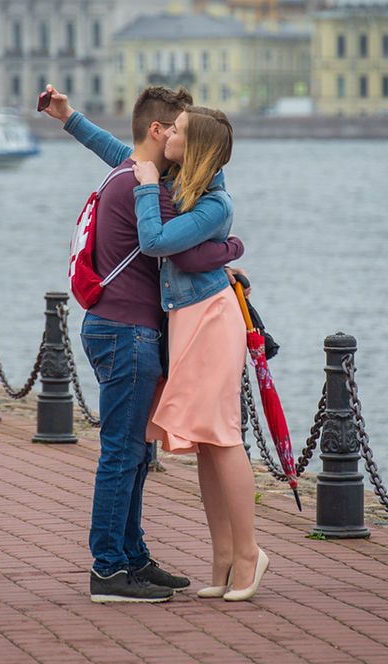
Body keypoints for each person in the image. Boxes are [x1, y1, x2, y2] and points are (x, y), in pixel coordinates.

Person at [43, 86, 245, 603]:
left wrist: (70, 118)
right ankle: (110, 569)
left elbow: (117, 150)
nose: (179, 134)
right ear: (159, 133)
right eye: (176, 127)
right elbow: (177, 244)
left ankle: (132, 557)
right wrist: (229, 247)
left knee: (135, 455)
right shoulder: (150, 192)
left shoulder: (132, 175)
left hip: (120, 328)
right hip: (127, 333)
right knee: (122, 454)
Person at [131, 106, 269, 602]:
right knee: (207, 443)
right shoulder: (177, 180)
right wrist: (68, 118)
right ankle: (224, 556)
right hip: (187, 318)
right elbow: (115, 149)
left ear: (196, 149)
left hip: (211, 318)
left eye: (179, 130)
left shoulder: (213, 202)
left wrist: (147, 187)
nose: (167, 131)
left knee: (223, 435)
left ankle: (250, 553)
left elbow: (156, 242)